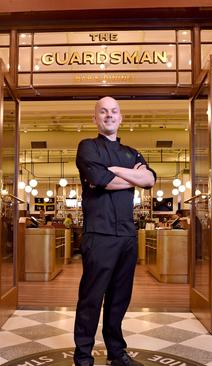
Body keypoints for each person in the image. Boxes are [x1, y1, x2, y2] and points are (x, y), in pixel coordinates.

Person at [73, 96, 156, 366]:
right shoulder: (87, 147)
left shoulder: (132, 153)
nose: (109, 116)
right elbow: (99, 180)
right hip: (99, 235)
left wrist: (116, 171)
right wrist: (131, 177)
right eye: (103, 112)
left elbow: (150, 179)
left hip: (127, 237)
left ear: (121, 118)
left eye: (114, 112)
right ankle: (83, 357)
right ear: (94, 118)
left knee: (120, 299)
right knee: (91, 299)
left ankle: (116, 352)